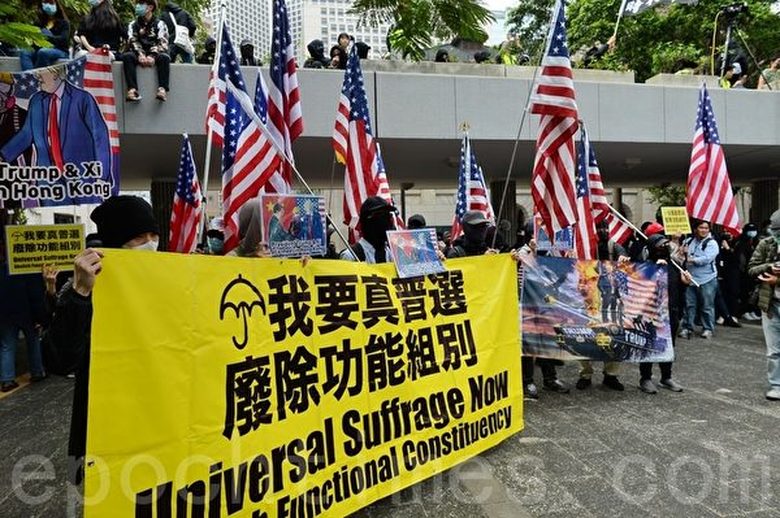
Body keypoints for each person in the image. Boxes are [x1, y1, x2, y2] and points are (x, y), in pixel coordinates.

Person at [47, 195, 159, 483]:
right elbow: (60, 360)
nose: (149, 244)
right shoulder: (87, 283)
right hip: (110, 420)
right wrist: (81, 293)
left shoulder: (164, 279)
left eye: (154, 236)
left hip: (159, 415)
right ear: (117, 242)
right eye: (138, 238)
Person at [0, 67, 111, 185]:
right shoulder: (36, 101)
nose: (37, 76)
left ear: (55, 74)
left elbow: (100, 136)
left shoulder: (83, 99)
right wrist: (2, 156)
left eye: (42, 71)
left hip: (81, 177)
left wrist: (102, 176)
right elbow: (26, 135)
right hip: (47, 179)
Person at [577, 220, 629, 391]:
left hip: (611, 298)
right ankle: (585, 374)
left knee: (614, 335)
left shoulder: (614, 246)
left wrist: (623, 258)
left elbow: (624, 258)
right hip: (591, 297)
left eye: (605, 227)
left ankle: (611, 375)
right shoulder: (586, 246)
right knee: (585, 336)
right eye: (599, 228)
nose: (603, 231)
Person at [638, 233, 688, 394]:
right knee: (648, 345)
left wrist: (685, 283)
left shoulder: (674, 265)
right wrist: (655, 270)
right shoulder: (645, 266)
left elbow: (678, 289)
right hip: (651, 313)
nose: (664, 248)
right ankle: (645, 378)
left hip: (671, 312)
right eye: (660, 245)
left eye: (666, 244)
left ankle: (666, 377)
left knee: (668, 346)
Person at [747, 209, 780, 400]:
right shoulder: (766, 244)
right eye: (775, 231)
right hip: (770, 304)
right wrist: (769, 267)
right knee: (773, 350)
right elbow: (751, 269)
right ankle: (776, 385)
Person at [0, 267, 48, 392]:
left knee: (7, 346)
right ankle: (37, 372)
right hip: (28, 313)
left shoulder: (2, 269)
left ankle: (7, 380)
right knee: (33, 341)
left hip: (5, 314)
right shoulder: (28, 268)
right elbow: (36, 295)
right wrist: (40, 317)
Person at [121, 0, 170, 102]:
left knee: (164, 58)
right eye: (138, 4)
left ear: (150, 7)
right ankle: (132, 90)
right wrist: (140, 54)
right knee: (127, 56)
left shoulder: (160, 24)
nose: (138, 6)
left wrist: (152, 55)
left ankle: (162, 89)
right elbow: (132, 40)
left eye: (141, 4)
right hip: (138, 53)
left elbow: (163, 42)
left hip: (155, 53)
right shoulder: (133, 24)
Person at [679, 219, 719, 339]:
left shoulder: (712, 243)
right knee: (689, 305)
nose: (704, 230)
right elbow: (680, 258)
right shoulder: (688, 241)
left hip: (707, 278)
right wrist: (682, 252)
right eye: (701, 228)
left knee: (707, 305)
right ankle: (687, 327)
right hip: (690, 278)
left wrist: (691, 259)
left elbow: (707, 259)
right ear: (695, 229)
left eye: (706, 228)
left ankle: (708, 328)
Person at [340, 196, 397, 263]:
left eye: (389, 216)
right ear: (368, 222)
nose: (389, 221)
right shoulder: (351, 256)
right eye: (383, 217)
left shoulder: (392, 255)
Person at [19, 0, 70, 71]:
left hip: (60, 50)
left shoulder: (64, 23)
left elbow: (64, 39)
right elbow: (34, 39)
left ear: (57, 5)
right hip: (40, 49)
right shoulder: (38, 22)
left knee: (43, 52)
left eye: (51, 3)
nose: (48, 5)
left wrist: (46, 37)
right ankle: (29, 75)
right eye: (45, 2)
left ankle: (37, 75)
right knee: (24, 52)